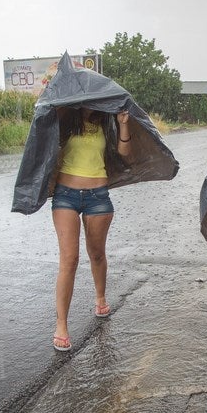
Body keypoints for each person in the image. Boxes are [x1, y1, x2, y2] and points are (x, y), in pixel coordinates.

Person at [50, 107, 132, 352]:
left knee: (96, 253)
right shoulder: (64, 117)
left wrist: (123, 124)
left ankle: (100, 298)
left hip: (98, 195)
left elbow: (124, 154)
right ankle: (61, 325)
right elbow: (46, 150)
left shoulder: (107, 120)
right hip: (66, 195)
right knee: (70, 258)